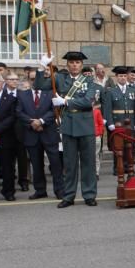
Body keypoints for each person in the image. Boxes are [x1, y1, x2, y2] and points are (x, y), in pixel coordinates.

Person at [37, 51, 99, 207]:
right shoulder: (59, 78)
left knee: (88, 163)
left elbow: (87, 101)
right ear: (67, 65)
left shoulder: (89, 81)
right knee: (69, 164)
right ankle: (69, 195)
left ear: (82, 65)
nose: (74, 65)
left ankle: (89, 194)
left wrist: (64, 101)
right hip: (68, 125)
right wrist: (42, 66)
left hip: (85, 125)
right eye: (71, 63)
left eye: (77, 63)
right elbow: (39, 85)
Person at [15, 75, 64, 200]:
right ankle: (40, 190)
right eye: (32, 79)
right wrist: (32, 123)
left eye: (38, 79)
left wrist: (41, 121)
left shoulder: (51, 93)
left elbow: (55, 110)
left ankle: (59, 190)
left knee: (55, 164)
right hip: (32, 133)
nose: (35, 81)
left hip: (49, 133)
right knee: (36, 165)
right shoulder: (22, 94)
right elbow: (19, 112)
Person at [0, 72, 19, 201]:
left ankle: (8, 192)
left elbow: (12, 116)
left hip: (6, 137)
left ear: (3, 83)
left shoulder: (11, 98)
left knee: (8, 167)